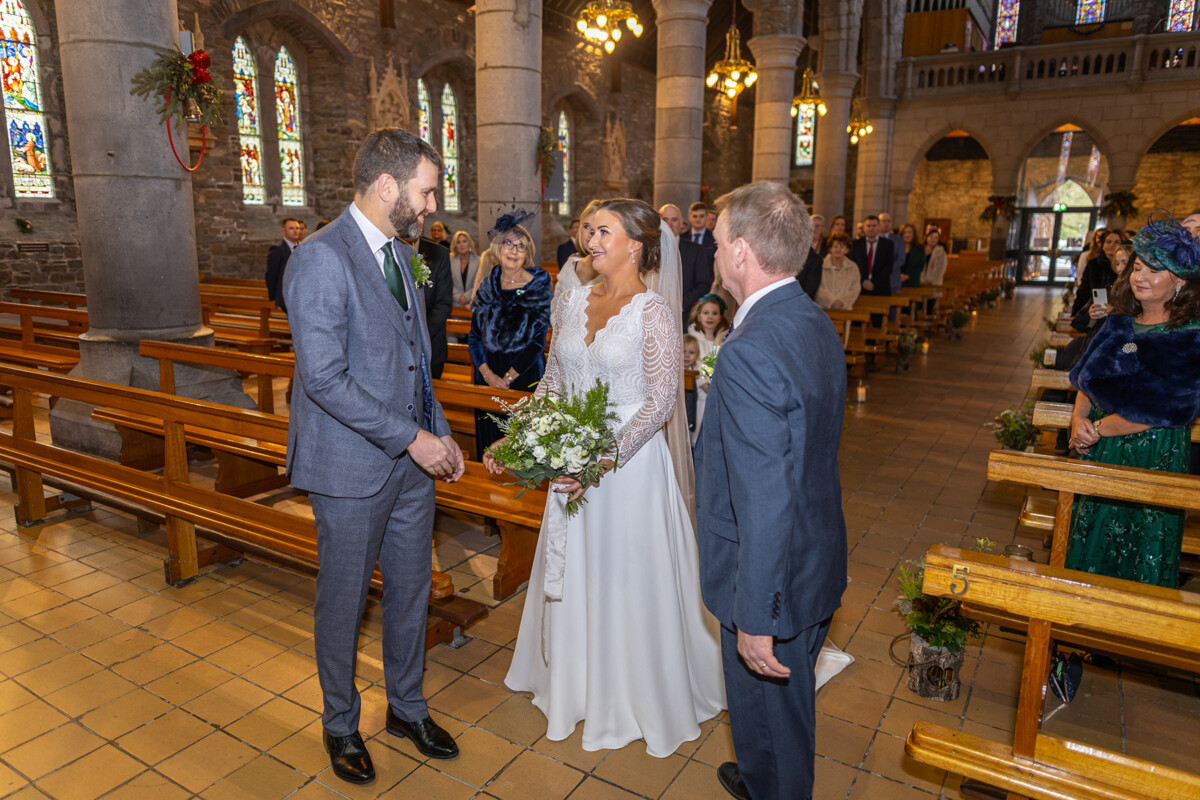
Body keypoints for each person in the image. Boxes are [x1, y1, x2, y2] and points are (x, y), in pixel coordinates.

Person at [494, 198, 725, 757]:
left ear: (636, 246)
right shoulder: (571, 301)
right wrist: (518, 435)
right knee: (575, 569)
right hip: (570, 461)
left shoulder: (653, 313)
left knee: (625, 577)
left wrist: (604, 456)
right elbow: (552, 381)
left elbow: (659, 402)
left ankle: (630, 689)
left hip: (628, 471)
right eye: (589, 230)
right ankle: (572, 682)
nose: (590, 240)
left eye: (604, 232)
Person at [283, 128, 465, 786]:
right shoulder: (322, 258)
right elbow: (324, 379)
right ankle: (340, 722)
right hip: (352, 467)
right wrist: (411, 437)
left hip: (412, 464)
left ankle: (407, 708)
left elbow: (416, 364)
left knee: (412, 591)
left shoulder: (400, 254)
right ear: (387, 187)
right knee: (345, 599)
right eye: (426, 190)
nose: (432, 204)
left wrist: (438, 434)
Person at [695, 182, 849, 800]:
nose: (711, 256)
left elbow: (763, 495)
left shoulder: (750, 349)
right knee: (780, 711)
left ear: (739, 253)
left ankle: (777, 785)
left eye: (715, 243)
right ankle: (762, 774)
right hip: (814, 552)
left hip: (772, 576)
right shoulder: (811, 319)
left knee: (769, 709)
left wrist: (757, 614)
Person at [1067, 216, 1200, 587]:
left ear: (1181, 280)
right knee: (1092, 540)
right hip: (1099, 447)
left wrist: (1095, 429)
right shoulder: (1121, 325)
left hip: (1150, 454)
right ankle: (1080, 635)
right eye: (1138, 266)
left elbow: (1164, 407)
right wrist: (1079, 421)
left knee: (1142, 547)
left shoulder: (1189, 336)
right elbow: (1086, 378)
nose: (1140, 275)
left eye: (1155, 269)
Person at [468, 219, 552, 458]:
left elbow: (538, 341)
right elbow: (474, 337)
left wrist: (507, 378)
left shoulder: (539, 283)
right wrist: (488, 374)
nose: (514, 251)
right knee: (490, 448)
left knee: (524, 451)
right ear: (498, 248)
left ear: (527, 253)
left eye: (521, 247)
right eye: (509, 244)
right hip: (487, 373)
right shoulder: (487, 285)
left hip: (524, 373)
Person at [661, 203, 715, 319]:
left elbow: (703, 284)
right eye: (665, 219)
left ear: (681, 222)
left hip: (685, 316)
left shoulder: (696, 250)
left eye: (674, 220)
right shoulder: (649, 250)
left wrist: (681, 304)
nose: (669, 224)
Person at [413, 234, 453, 379]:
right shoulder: (389, 249)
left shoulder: (438, 254)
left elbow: (443, 304)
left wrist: (418, 337)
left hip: (431, 346)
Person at [1071, 228, 1123, 316]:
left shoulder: (1127, 266)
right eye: (1108, 242)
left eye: (1117, 242)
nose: (1112, 245)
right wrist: (1076, 313)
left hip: (1119, 314)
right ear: (1103, 245)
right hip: (1095, 312)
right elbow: (1083, 290)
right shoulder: (1094, 264)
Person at [851, 214, 895, 296]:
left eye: (874, 226)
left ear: (879, 227)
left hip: (881, 289)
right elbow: (853, 264)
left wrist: (873, 282)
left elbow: (888, 266)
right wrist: (863, 280)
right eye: (868, 226)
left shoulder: (888, 244)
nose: (871, 228)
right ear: (864, 228)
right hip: (859, 288)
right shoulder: (855, 244)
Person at [815, 232, 860, 310]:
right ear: (830, 249)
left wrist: (842, 301)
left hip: (844, 309)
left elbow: (855, 288)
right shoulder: (821, 265)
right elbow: (817, 287)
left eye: (842, 247)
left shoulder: (853, 267)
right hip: (823, 308)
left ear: (847, 250)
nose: (838, 249)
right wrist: (831, 301)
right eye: (835, 246)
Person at [265, 217, 303, 309]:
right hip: (285, 297)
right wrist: (274, 298)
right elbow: (271, 275)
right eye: (291, 228)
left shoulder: (303, 248)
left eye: (297, 228)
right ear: (283, 231)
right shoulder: (277, 249)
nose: (295, 231)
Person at [687, 294, 730, 360]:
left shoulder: (726, 339)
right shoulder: (692, 339)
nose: (710, 317)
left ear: (720, 318)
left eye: (714, 313)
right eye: (706, 313)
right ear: (698, 316)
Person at [449, 230, 481, 307]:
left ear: (469, 243)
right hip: (455, 304)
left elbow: (480, 282)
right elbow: (447, 282)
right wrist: (458, 297)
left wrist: (467, 296)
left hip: (473, 303)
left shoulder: (479, 261)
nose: (462, 245)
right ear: (455, 245)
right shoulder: (449, 261)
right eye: (458, 242)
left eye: (464, 241)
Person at [878, 211, 906, 293]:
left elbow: (901, 259)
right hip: (876, 280)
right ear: (878, 223)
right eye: (884, 221)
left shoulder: (898, 240)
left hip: (892, 280)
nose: (887, 223)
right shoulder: (874, 239)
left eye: (889, 221)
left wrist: (886, 269)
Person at [797, 214, 824, 300]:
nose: (814, 229)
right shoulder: (793, 250)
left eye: (817, 226)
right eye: (812, 226)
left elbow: (810, 290)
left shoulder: (815, 259)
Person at [682, 333, 701, 441]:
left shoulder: (694, 372)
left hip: (690, 417)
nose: (687, 355)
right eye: (683, 351)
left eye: (691, 352)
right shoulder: (676, 372)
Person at [900, 223, 924, 288]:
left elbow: (920, 266)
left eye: (910, 232)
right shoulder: (896, 247)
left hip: (912, 282)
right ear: (901, 234)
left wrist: (908, 276)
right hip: (898, 281)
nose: (907, 235)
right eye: (905, 232)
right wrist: (899, 275)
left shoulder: (920, 248)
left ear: (914, 234)